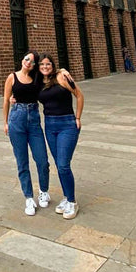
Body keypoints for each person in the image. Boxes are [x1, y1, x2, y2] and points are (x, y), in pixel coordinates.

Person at [37, 53, 84, 220]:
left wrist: (77, 118)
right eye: (42, 64)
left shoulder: (62, 76)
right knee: (59, 164)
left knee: (64, 164)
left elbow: (79, 95)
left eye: (48, 64)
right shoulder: (38, 82)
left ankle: (72, 202)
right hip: (49, 125)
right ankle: (66, 197)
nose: (45, 67)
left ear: (53, 65)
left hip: (67, 124)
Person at [3, 51, 50, 216]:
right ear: (22, 59)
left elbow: (51, 74)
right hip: (16, 120)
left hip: (34, 121)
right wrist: (6, 122)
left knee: (42, 160)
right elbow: (6, 100)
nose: (28, 62)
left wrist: (63, 71)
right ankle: (29, 197)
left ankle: (44, 191)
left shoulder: (37, 79)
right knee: (22, 161)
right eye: (26, 58)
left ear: (35, 65)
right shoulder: (12, 77)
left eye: (32, 61)